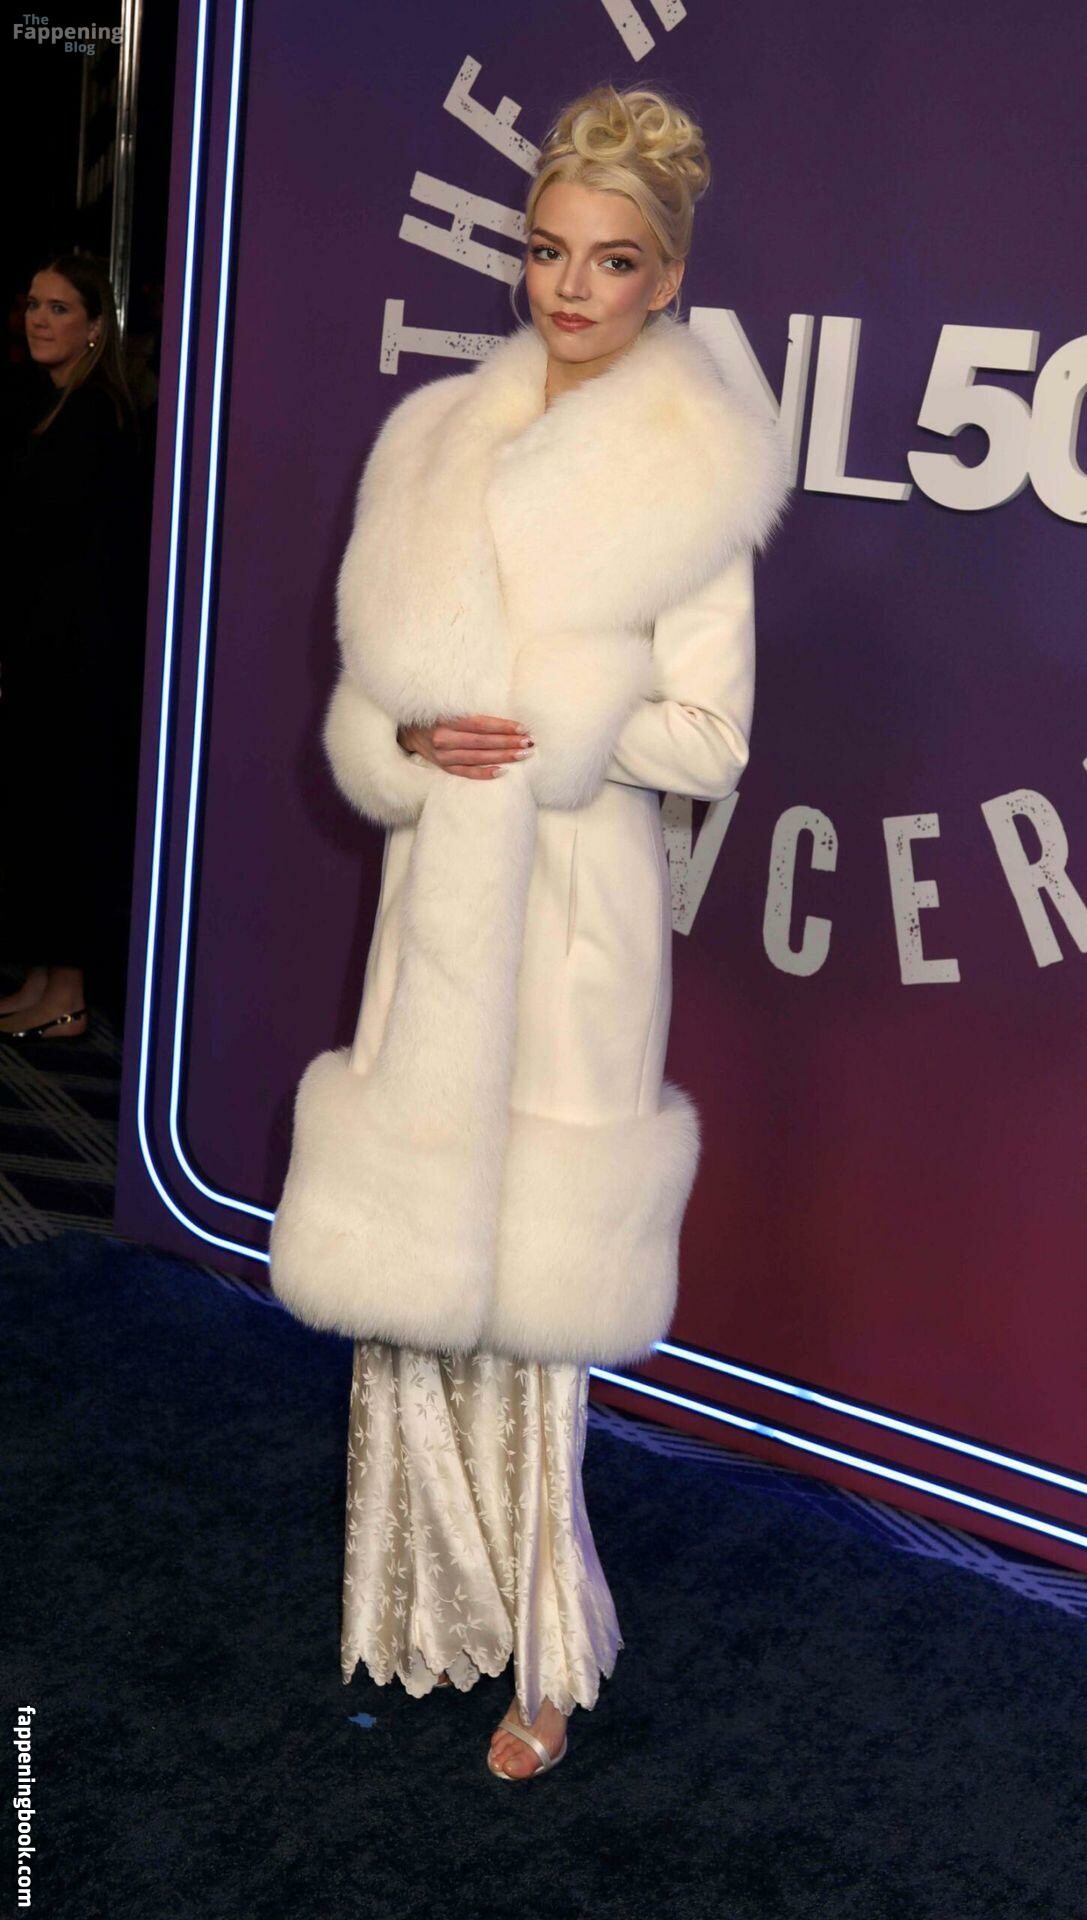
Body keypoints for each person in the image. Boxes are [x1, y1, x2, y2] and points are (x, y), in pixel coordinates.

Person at [269, 83, 791, 1779]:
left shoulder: (695, 474)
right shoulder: (429, 436)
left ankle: (547, 1660)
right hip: (433, 916)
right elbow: (362, 708)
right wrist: (410, 738)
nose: (570, 287)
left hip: (573, 926)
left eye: (611, 260)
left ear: (667, 277)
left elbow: (708, 742)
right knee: (413, 1294)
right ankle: (417, 1607)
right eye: (549, 250)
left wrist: (551, 713)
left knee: (534, 1311)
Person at [0, 253, 147, 1042]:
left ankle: (66, 996)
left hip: (79, 663)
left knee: (67, 822)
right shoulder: (54, 404)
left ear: (96, 326)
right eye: (34, 303)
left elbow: (69, 548)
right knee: (40, 819)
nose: (39, 319)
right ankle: (42, 981)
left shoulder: (98, 415)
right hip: (48, 652)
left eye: (59, 308)